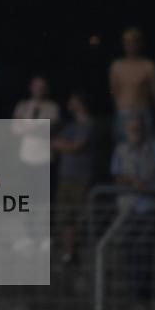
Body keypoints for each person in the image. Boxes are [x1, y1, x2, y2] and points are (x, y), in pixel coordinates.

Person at [111, 117, 155, 302]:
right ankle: (136, 288)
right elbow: (117, 177)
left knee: (144, 243)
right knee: (129, 243)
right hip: (129, 206)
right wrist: (132, 182)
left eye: (138, 128)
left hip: (150, 205)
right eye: (132, 128)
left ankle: (143, 290)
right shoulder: (120, 150)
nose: (135, 132)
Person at [51, 92, 95, 264]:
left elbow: (77, 146)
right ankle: (67, 252)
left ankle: (77, 251)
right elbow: (54, 143)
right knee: (65, 216)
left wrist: (66, 145)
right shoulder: (70, 126)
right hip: (65, 177)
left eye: (73, 100)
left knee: (78, 216)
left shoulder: (88, 124)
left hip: (80, 178)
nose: (69, 103)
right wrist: (66, 145)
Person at [109, 28, 155, 141]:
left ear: (140, 43)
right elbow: (114, 91)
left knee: (146, 149)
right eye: (127, 42)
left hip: (143, 114)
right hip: (122, 114)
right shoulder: (117, 66)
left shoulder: (149, 66)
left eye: (134, 41)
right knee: (123, 149)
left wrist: (144, 109)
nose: (130, 45)